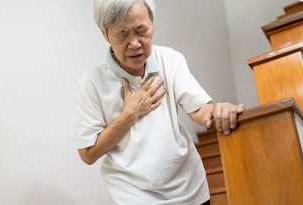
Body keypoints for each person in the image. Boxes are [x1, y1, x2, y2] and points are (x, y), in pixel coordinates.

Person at [76, 0, 244, 204]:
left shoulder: (170, 59)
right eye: (122, 34)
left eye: (141, 30)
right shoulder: (92, 83)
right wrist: (129, 114)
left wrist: (219, 110)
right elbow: (88, 154)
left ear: (152, 24)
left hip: (189, 186)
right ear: (105, 33)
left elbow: (199, 109)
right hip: (134, 194)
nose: (135, 43)